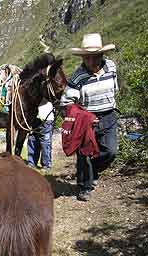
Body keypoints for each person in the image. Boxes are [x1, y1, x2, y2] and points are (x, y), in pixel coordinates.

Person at [60, 33, 119, 201]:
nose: (91, 62)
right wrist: (85, 116)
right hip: (86, 120)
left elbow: (115, 89)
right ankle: (85, 187)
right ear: (83, 58)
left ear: (102, 56)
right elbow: (66, 103)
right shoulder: (78, 76)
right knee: (84, 154)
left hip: (108, 116)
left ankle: (92, 169)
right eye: (87, 58)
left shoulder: (111, 67)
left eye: (94, 58)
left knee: (110, 151)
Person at [27, 100, 55, 172]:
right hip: (34, 117)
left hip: (46, 117)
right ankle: (31, 163)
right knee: (32, 139)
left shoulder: (48, 91)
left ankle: (46, 165)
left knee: (45, 142)